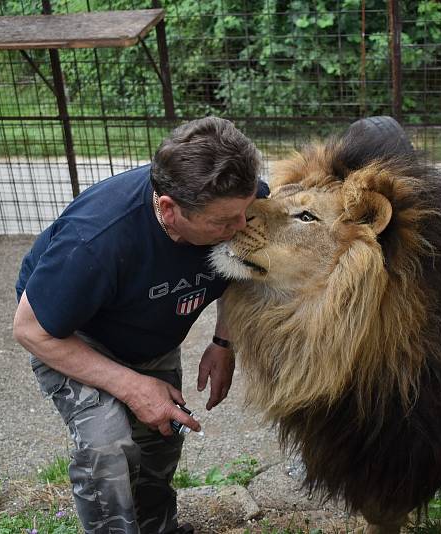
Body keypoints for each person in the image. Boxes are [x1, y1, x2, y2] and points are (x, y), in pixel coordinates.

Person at [13, 116, 267, 534]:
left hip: (149, 330)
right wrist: (132, 386)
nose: (240, 228)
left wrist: (224, 341)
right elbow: (30, 330)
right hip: (75, 335)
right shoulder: (95, 240)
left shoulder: (235, 201)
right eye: (224, 223)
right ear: (169, 209)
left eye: (245, 211)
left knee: (160, 440)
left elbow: (243, 268)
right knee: (108, 443)